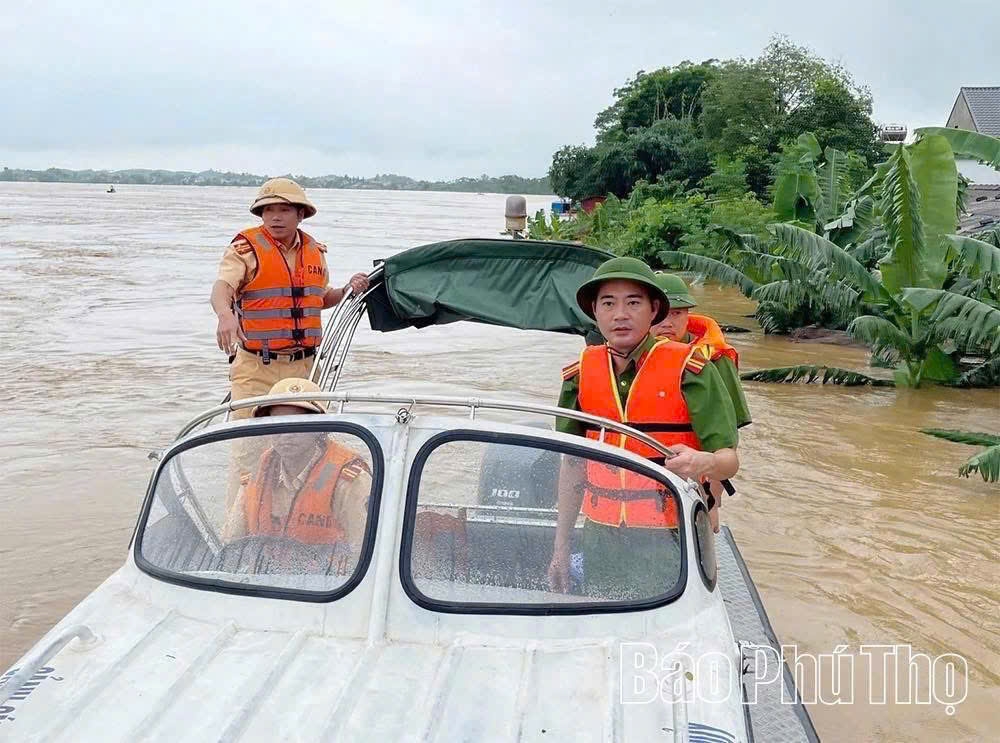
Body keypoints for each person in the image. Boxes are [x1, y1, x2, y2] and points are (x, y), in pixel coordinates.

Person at [547, 257, 740, 598]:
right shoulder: (579, 375)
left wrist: (703, 463)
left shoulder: (692, 370)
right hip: (600, 536)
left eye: (633, 303)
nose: (620, 314)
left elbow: (729, 460)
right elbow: (572, 466)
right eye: (608, 303)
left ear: (654, 311)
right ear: (595, 311)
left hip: (671, 534)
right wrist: (560, 547)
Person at [210, 178, 370, 420]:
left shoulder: (315, 251)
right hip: (256, 367)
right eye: (268, 210)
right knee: (247, 446)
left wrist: (348, 288)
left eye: (284, 210)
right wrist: (225, 315)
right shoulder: (245, 250)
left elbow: (322, 298)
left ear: (300, 214)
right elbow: (222, 288)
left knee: (304, 441)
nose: (275, 217)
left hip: (304, 366)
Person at [223, 378, 372, 557]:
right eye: (278, 423)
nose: (287, 432)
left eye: (299, 422)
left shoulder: (347, 480)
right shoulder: (256, 476)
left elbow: (366, 553)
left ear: (320, 428)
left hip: (332, 584)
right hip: (262, 583)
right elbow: (230, 546)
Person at [652, 272, 752, 530]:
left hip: (699, 474)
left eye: (677, 313)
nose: (668, 322)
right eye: (662, 313)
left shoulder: (714, 359)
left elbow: (727, 440)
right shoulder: (631, 356)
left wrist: (713, 501)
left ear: (688, 315)